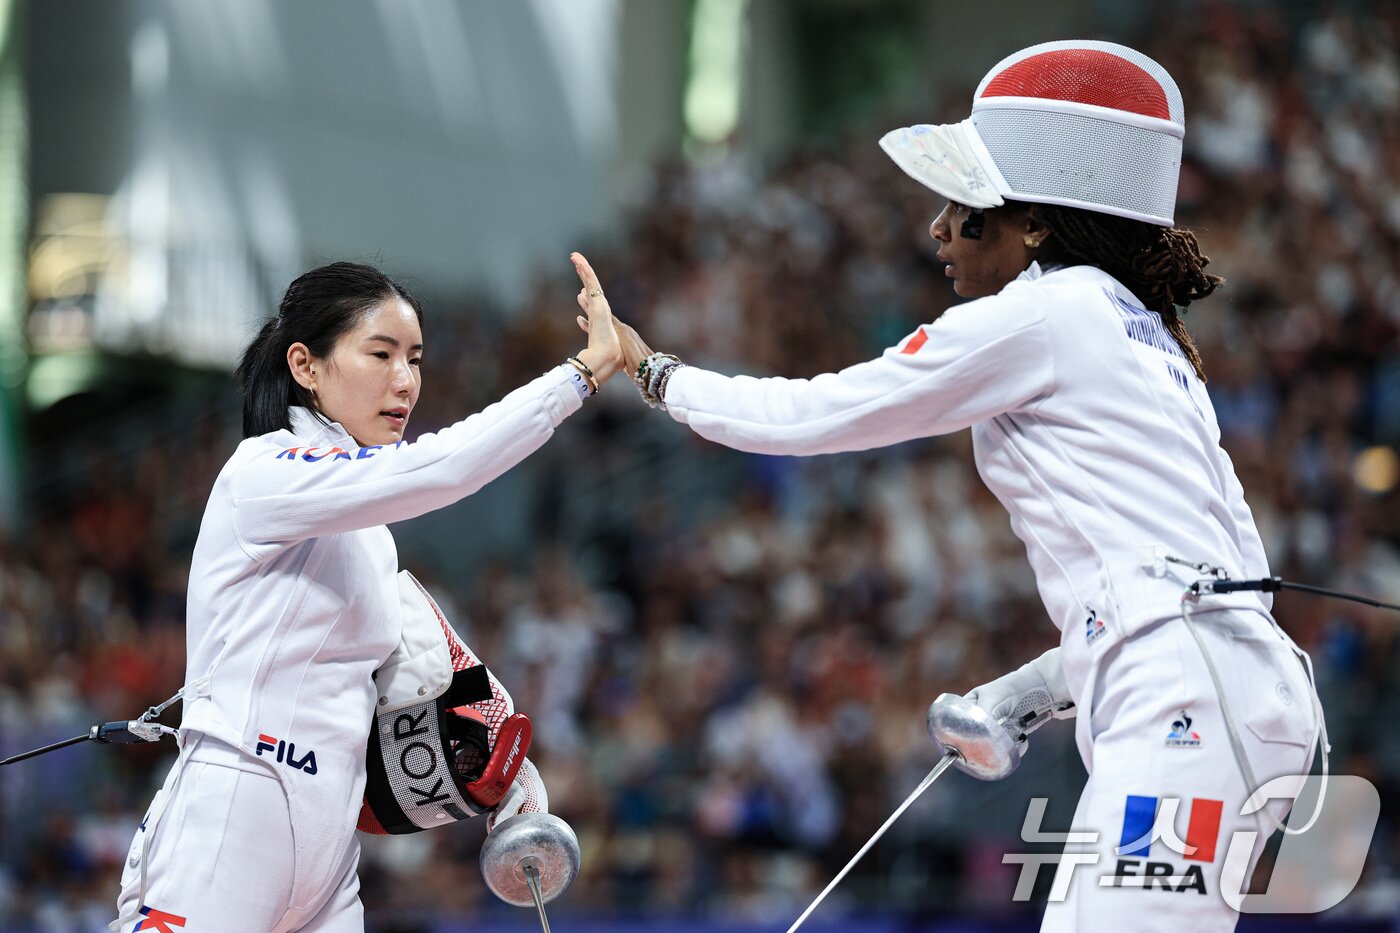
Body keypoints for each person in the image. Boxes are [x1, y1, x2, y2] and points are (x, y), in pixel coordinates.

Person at [575, 40, 1322, 931]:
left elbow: (819, 415)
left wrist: (653, 369)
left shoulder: (1046, 311)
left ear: (1033, 222)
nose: (937, 228)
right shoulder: (1147, 341)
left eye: (962, 206)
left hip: (1185, 708)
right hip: (1237, 699)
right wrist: (1024, 693)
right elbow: (1208, 589)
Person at [112, 256, 622, 932]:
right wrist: (578, 376)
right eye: (379, 354)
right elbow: (444, 469)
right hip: (233, 814)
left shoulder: (368, 536)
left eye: (414, 358)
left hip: (327, 852)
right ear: (306, 365)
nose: (404, 380)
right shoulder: (263, 475)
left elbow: (416, 669)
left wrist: (500, 754)